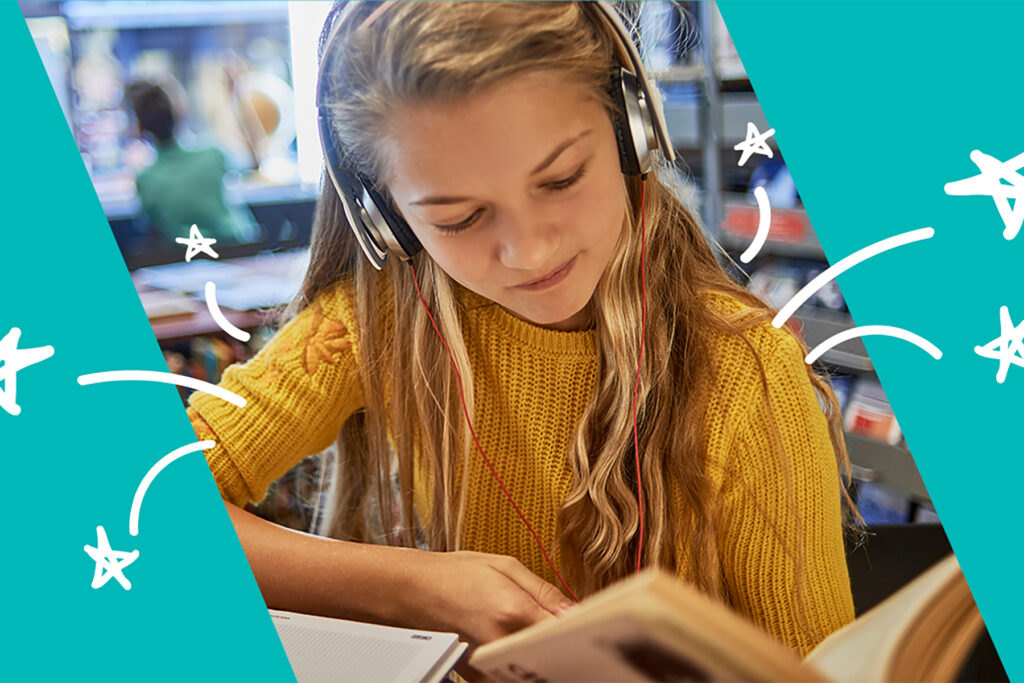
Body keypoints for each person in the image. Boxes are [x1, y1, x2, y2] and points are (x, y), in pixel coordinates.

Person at [186, 1, 858, 658]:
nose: (530, 253)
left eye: (561, 178)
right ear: (385, 221)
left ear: (635, 130)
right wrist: (416, 590)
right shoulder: (382, 319)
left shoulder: (749, 373)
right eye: (459, 219)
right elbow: (142, 501)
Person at [126, 81, 246, 245]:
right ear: (179, 113)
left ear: (141, 128)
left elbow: (148, 227)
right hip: (237, 249)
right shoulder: (214, 154)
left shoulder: (146, 179)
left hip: (183, 257)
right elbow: (252, 164)